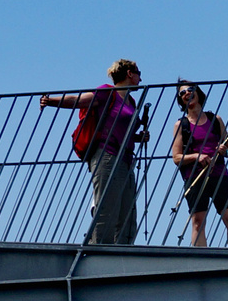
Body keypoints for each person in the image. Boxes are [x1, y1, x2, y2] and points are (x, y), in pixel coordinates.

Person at [41, 59, 148, 245]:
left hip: (125, 159)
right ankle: (98, 253)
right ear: (130, 74)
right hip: (107, 156)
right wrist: (50, 101)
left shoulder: (130, 100)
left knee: (127, 215)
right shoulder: (108, 92)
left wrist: (139, 137)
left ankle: (122, 257)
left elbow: (121, 129)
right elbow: (78, 100)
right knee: (107, 209)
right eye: (138, 73)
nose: (141, 78)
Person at [171, 81, 228, 249]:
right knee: (198, 221)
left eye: (190, 90)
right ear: (180, 100)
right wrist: (197, 156)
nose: (187, 94)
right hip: (195, 177)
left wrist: (224, 150)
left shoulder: (215, 119)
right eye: (182, 93)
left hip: (219, 174)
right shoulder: (181, 125)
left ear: (198, 93)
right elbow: (176, 157)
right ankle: (200, 259)